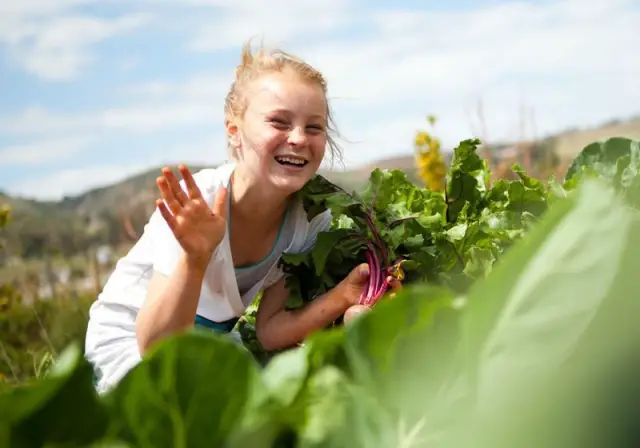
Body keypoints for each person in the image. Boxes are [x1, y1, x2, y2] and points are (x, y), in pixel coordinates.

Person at [84, 40, 401, 393]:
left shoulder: (308, 220)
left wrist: (345, 296)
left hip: (207, 344)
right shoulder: (198, 203)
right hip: (132, 342)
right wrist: (196, 258)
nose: (298, 138)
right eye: (279, 122)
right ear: (234, 131)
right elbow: (155, 347)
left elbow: (269, 330)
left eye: (314, 128)